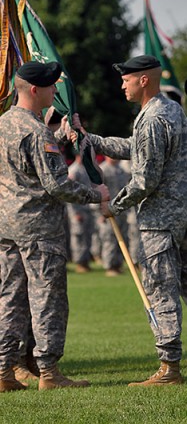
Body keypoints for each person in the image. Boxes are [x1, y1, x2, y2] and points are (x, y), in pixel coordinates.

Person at [72, 54, 187, 386]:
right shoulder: (170, 110)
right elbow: (133, 148)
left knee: (161, 289)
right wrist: (89, 138)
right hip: (178, 215)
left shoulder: (152, 119)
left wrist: (114, 206)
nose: (122, 84)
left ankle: (169, 368)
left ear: (144, 80)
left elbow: (145, 180)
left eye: (127, 79)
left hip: (160, 220)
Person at [0, 60, 109, 392]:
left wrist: (62, 134)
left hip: (6, 225)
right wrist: (96, 194)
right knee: (47, 296)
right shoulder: (36, 131)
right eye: (50, 87)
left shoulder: (4, 124)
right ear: (35, 90)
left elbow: (27, 162)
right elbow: (57, 185)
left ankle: (4, 371)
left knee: (9, 296)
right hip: (38, 227)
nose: (54, 91)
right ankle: (49, 371)